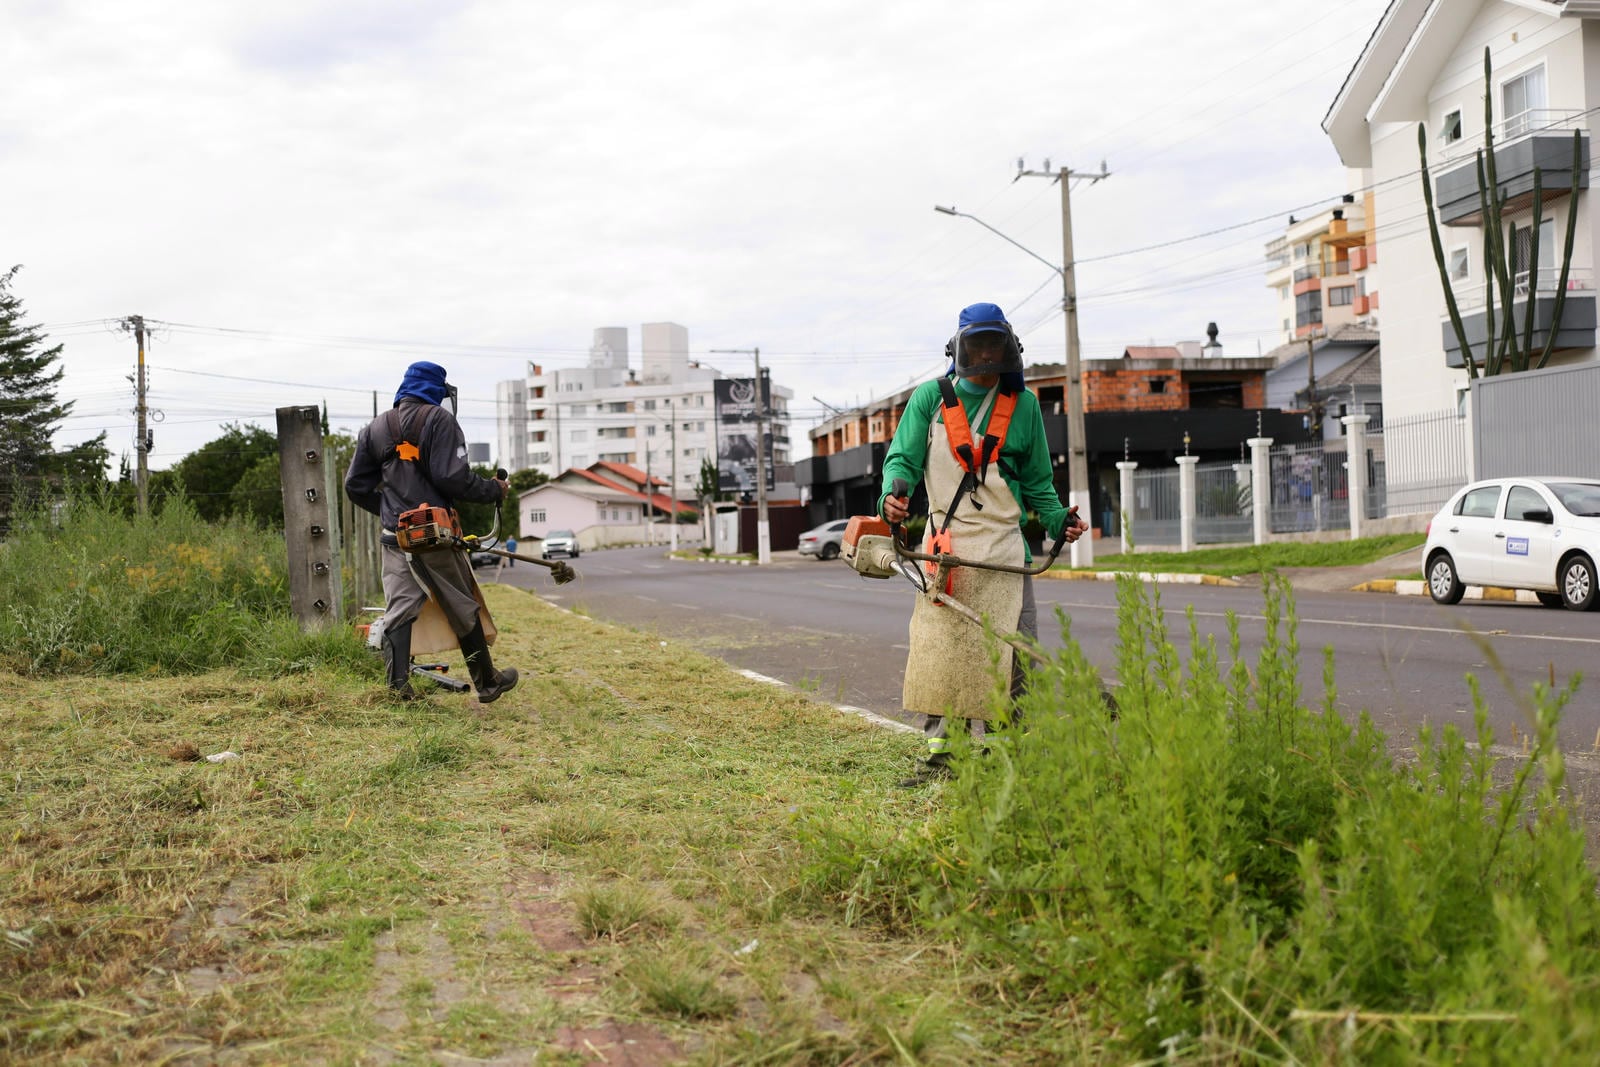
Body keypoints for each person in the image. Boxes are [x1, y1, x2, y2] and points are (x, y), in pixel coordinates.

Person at [879, 302, 1088, 785]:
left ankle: (1005, 758)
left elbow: (1039, 485)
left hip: (1005, 555)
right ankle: (943, 758)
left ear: (1010, 348)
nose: (988, 356)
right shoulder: (930, 398)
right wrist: (892, 496)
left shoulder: (1025, 405)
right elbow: (901, 461)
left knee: (1013, 657)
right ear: (960, 350)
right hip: (944, 551)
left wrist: (1059, 520)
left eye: (996, 345)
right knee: (942, 654)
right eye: (979, 346)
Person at [345, 361, 521, 703]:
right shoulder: (440, 420)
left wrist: (391, 514)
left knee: (400, 608)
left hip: (395, 536)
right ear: (436, 390)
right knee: (462, 602)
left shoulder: (375, 428)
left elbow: (355, 485)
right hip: (434, 536)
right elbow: (452, 478)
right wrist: (494, 490)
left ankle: (398, 689)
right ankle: (487, 682)